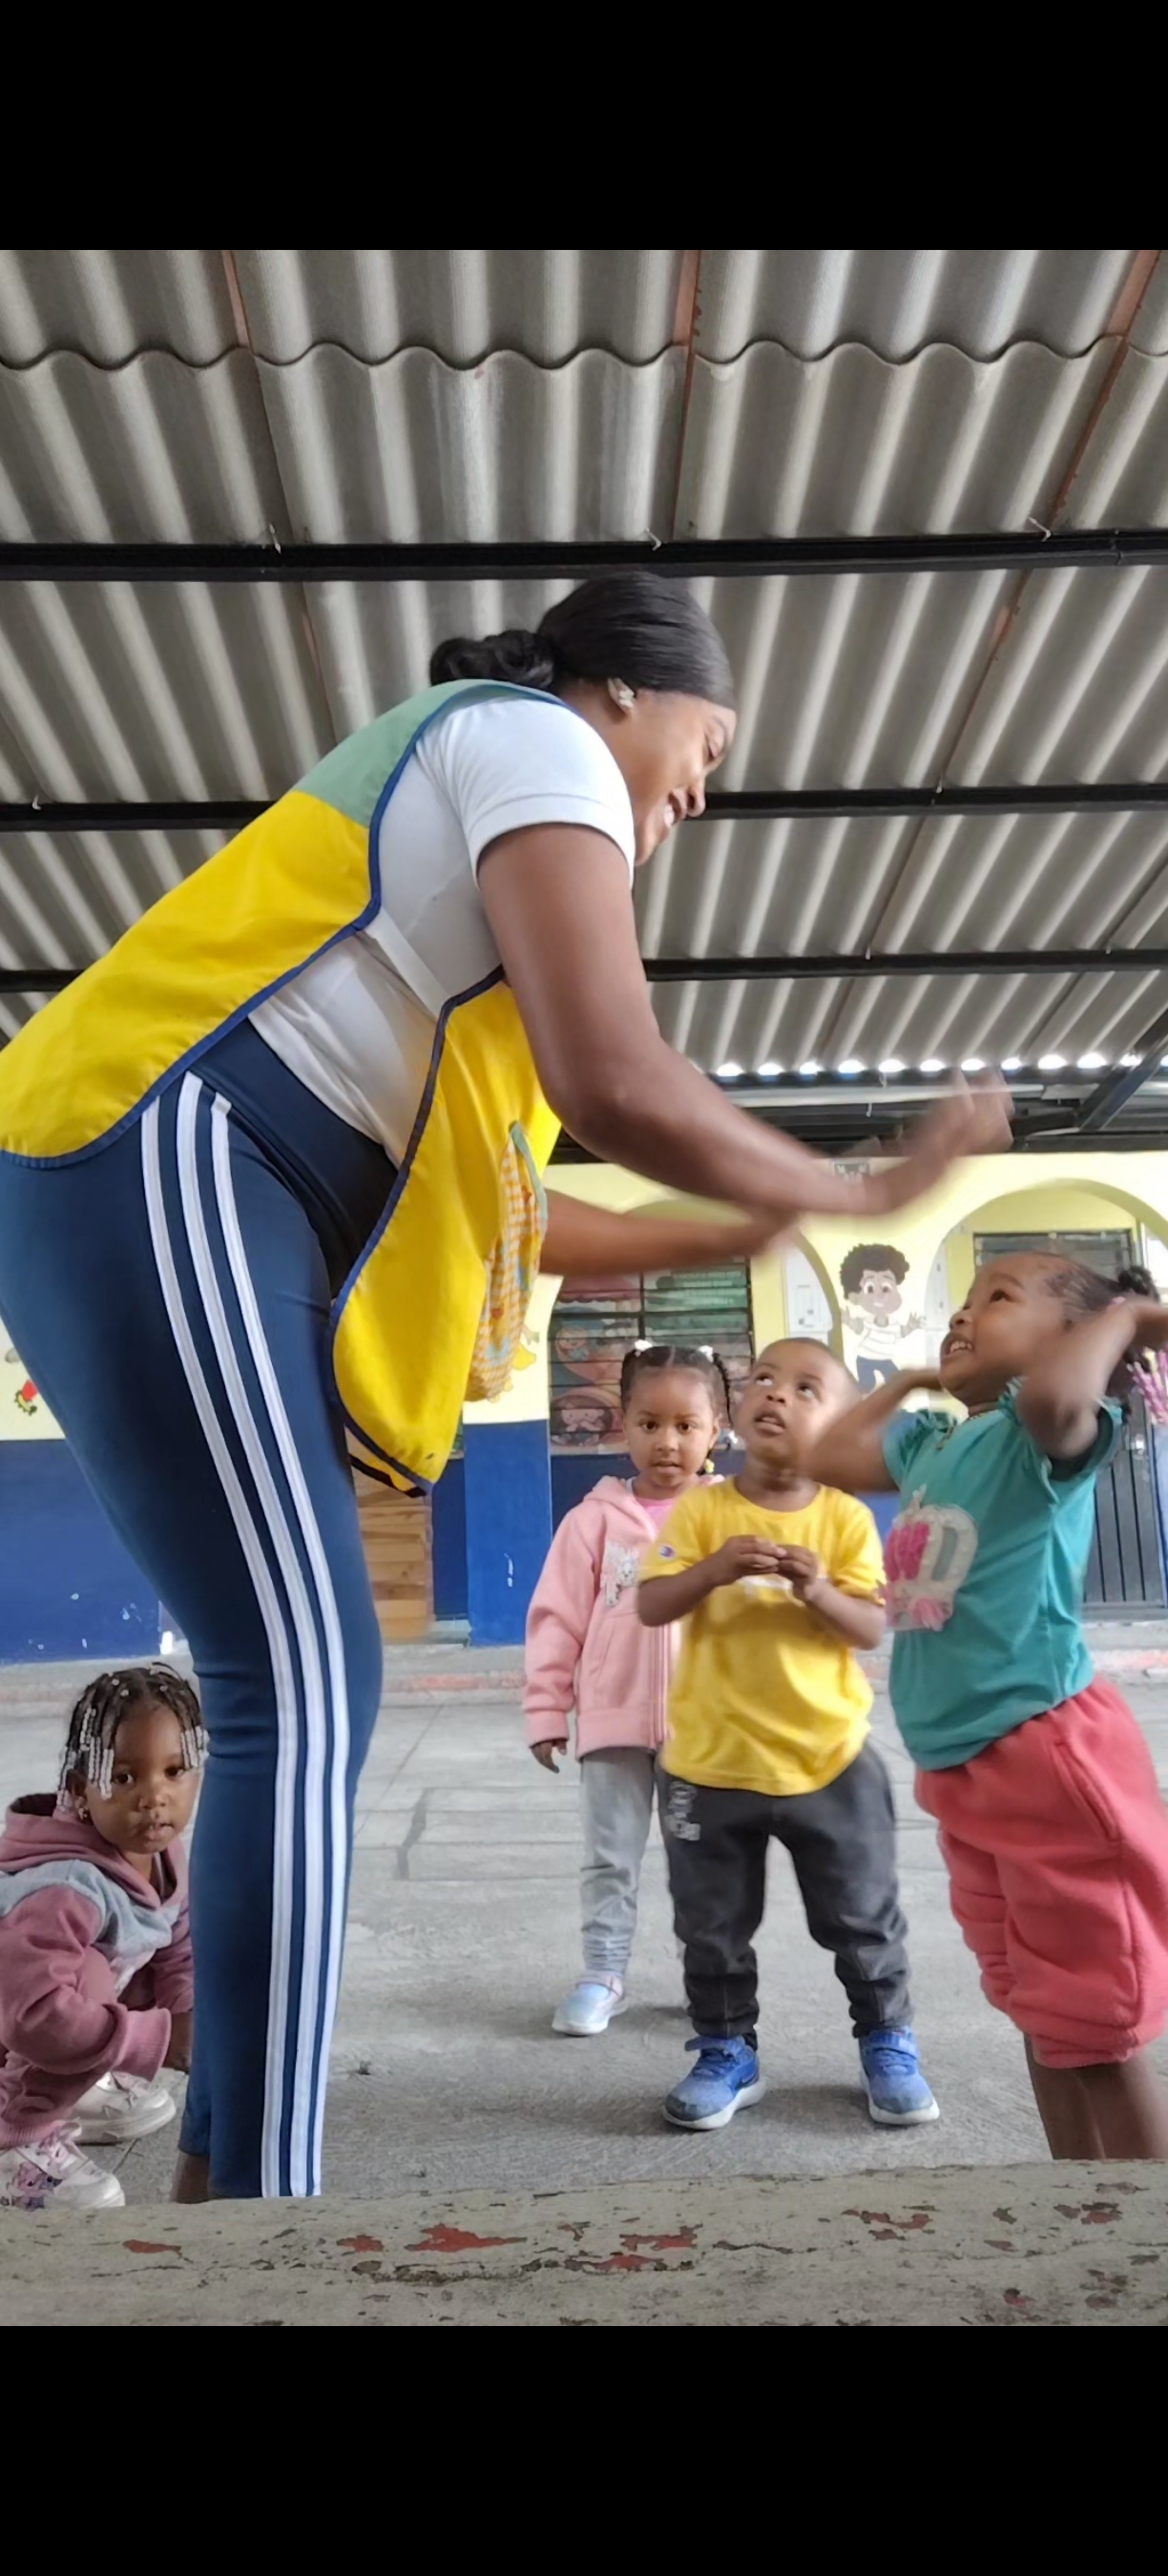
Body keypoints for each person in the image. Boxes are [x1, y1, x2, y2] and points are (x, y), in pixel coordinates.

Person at [0, 571, 1010, 2200]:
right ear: (620, 691)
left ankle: (221, 2172)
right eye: (706, 747)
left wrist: (750, 1214)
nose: (702, 791)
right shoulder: (530, 740)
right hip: (170, 1139)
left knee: (298, 1685)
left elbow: (532, 1216)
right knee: (301, 1683)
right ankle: (256, 2211)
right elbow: (614, 1075)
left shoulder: (460, 976)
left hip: (165, 1173)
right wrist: (849, 1188)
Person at [810, 1257, 1168, 2159]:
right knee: (1040, 2011)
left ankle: (1143, 2225)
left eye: (997, 1300)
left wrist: (1127, 1319)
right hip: (962, 1770)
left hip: (1045, 1752)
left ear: (1074, 1339)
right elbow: (825, 1456)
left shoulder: (1039, 1435)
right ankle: (1076, 2206)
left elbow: (1053, 1395)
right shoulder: (935, 1443)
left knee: (1096, 2025)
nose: (962, 1317)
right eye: (961, 1304)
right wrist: (910, 1379)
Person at [638, 1340, 937, 2131]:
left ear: (842, 1426)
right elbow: (652, 1604)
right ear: (736, 1408)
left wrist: (818, 1588)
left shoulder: (844, 1517)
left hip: (828, 1761)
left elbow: (868, 1627)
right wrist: (714, 1569)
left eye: (807, 1389)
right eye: (764, 1379)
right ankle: (726, 2050)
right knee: (709, 1929)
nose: (776, 1394)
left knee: (863, 1918)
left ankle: (887, 2040)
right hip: (709, 1765)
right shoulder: (702, 1511)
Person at [524, 1341, 728, 2034]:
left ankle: (709, 1978)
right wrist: (547, 1710)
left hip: (704, 1732)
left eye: (685, 1425)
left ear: (716, 1429)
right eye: (649, 1424)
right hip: (612, 1726)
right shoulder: (591, 1522)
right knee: (608, 1860)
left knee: (702, 1863)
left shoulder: (729, 1517)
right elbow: (556, 1621)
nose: (667, 1442)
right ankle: (602, 1973)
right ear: (624, 1424)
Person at [0, 1665, 203, 2211]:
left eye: (174, 1771)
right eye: (125, 1777)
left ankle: (73, 2083)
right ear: (80, 1791)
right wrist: (149, 2040)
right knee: (83, 1978)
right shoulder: (65, 1886)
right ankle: (15, 2139)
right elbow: (32, 2015)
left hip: (23, 2022)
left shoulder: (161, 1853)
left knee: (130, 1956)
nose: (154, 1796)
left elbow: (178, 1945)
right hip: (16, 2017)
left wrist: (186, 2017)